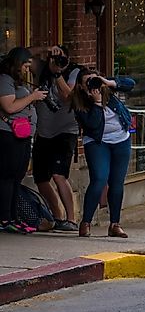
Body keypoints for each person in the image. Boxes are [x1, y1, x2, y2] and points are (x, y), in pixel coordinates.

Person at [70, 70, 135, 238]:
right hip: (97, 142)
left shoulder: (107, 88)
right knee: (99, 179)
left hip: (121, 140)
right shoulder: (80, 102)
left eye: (94, 80)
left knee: (117, 182)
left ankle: (115, 224)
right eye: (88, 82)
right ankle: (86, 223)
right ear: (81, 86)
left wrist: (107, 82)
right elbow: (91, 125)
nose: (93, 85)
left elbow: (130, 84)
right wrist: (97, 103)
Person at [33, 43, 82, 231]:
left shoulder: (73, 71)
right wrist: (45, 50)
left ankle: (71, 219)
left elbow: (68, 96)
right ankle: (57, 217)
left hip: (65, 131)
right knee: (41, 178)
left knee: (59, 174)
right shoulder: (42, 68)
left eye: (61, 57)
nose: (57, 60)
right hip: (44, 131)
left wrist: (58, 72)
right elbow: (19, 55)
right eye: (54, 57)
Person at [0, 48, 47, 234]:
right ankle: (4, 219)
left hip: (23, 135)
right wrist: (32, 97)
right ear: (17, 63)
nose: (28, 67)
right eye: (26, 64)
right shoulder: (4, 80)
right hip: (8, 135)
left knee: (17, 177)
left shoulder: (18, 82)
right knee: (7, 177)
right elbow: (9, 107)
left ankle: (14, 217)